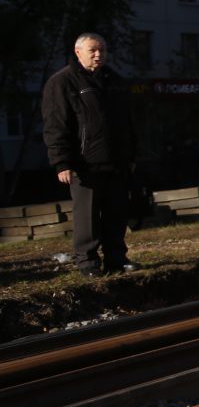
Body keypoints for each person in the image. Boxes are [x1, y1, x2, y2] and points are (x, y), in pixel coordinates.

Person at [42, 33, 139, 277]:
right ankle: (87, 263)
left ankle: (117, 259)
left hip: (117, 161)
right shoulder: (62, 82)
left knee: (116, 214)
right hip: (84, 164)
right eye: (93, 50)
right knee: (87, 217)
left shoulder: (115, 81)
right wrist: (61, 162)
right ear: (78, 52)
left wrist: (131, 155)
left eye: (103, 50)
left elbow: (129, 122)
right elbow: (55, 125)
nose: (99, 55)